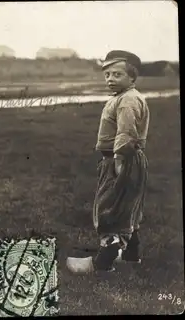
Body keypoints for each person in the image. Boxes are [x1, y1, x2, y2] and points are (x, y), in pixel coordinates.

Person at [67, 50, 150, 274]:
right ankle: (131, 256)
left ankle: (102, 263)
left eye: (117, 74)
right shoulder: (125, 97)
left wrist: (119, 162)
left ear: (132, 78)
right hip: (124, 159)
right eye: (108, 75)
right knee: (127, 208)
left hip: (121, 160)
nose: (110, 79)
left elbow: (125, 133)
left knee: (110, 210)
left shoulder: (127, 101)